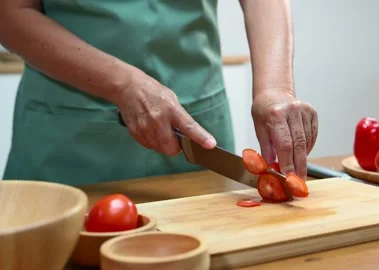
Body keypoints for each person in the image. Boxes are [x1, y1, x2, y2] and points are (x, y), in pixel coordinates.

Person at [0, 0, 318, 186]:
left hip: (200, 130)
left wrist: (275, 88)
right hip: (67, 147)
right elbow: (10, 13)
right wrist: (123, 85)